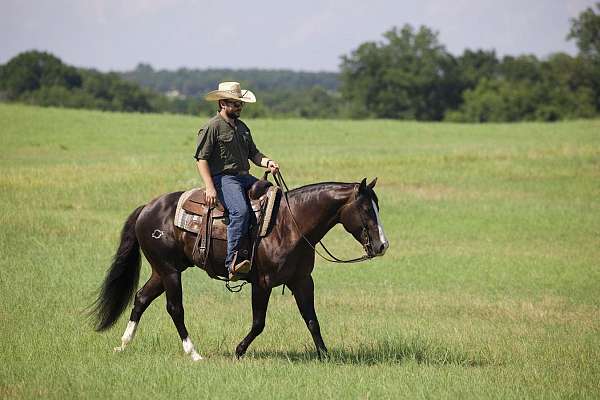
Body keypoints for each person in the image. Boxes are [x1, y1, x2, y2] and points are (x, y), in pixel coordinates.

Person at [193, 82, 279, 281]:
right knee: (239, 211)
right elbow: (202, 159)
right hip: (224, 178)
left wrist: (268, 162)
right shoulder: (212, 127)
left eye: (241, 104)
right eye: (235, 104)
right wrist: (209, 187)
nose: (240, 108)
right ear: (223, 103)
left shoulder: (242, 127)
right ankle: (232, 262)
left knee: (274, 197)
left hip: (244, 176)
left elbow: (254, 154)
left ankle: (261, 251)